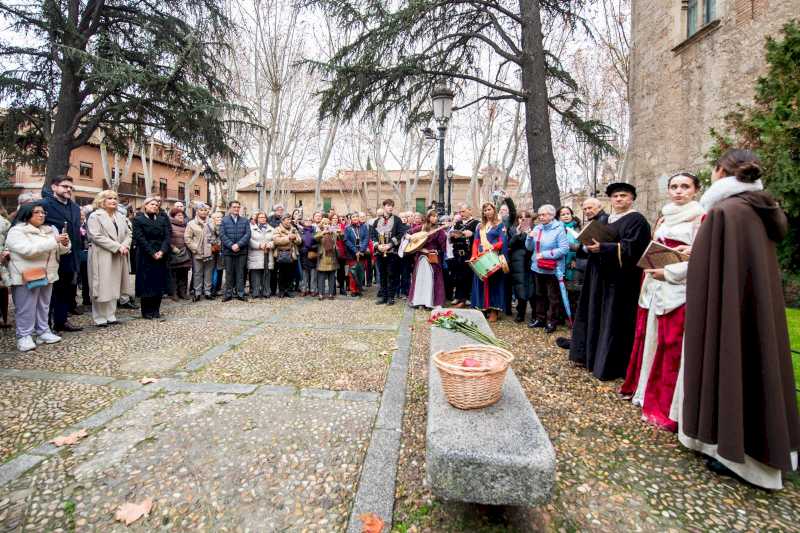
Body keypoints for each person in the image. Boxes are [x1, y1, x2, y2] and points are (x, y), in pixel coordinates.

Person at [678, 149, 799, 489]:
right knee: (758, 364)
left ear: (720, 172)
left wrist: (695, 253)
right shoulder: (759, 208)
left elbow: (710, 269)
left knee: (731, 361)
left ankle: (737, 456)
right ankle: (764, 454)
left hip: (727, 307)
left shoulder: (727, 212)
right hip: (755, 305)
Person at [619, 173, 704, 428]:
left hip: (677, 287)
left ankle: (665, 404)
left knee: (671, 345)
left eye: (685, 187)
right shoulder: (664, 217)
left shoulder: (701, 218)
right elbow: (654, 246)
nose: (679, 191)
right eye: (674, 187)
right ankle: (642, 389)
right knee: (648, 339)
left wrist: (669, 272)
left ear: (695, 190)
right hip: (653, 283)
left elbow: (700, 258)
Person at [572, 183, 651, 380]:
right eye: (615, 196)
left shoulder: (637, 220)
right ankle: (591, 356)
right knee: (597, 314)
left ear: (631, 198)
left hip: (622, 280)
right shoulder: (606, 220)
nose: (618, 199)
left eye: (623, 196)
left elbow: (633, 249)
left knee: (614, 320)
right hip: (601, 276)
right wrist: (590, 247)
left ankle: (611, 365)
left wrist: (604, 247)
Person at [6, 203, 70, 351]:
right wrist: (55, 241)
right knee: (25, 307)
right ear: (26, 214)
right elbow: (28, 250)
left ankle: (43, 331)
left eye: (43, 212)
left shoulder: (49, 230)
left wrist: (64, 244)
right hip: (26, 276)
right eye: (36, 212)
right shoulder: (17, 231)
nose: (41, 215)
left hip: (47, 274)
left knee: (44, 305)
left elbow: (58, 251)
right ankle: (24, 336)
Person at [563, 198, 608, 352]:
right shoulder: (595, 221)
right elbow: (585, 247)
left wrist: (571, 247)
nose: (588, 211)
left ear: (600, 207)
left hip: (596, 269)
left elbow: (593, 249)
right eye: (585, 208)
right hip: (591, 268)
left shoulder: (602, 221)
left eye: (591, 208)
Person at [42, 175, 83, 333]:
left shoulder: (74, 207)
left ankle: (61, 321)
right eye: (65, 186)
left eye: (71, 187)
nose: (68, 190)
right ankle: (44, 325)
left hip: (71, 256)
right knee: (49, 293)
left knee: (65, 290)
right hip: (51, 256)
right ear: (54, 187)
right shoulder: (44, 204)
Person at [86, 191, 132, 327]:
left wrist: (124, 245)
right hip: (102, 253)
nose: (113, 200)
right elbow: (96, 236)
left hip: (119, 254)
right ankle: (100, 317)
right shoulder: (95, 216)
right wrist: (117, 246)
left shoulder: (121, 216)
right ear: (102, 201)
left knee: (115, 283)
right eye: (109, 198)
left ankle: (111, 315)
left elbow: (129, 233)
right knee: (101, 284)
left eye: (115, 198)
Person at [525, 204, 569, 333]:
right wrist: (529, 236)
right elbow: (529, 248)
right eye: (539, 215)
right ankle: (540, 319)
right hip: (537, 268)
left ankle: (551, 321)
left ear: (552, 215)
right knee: (539, 294)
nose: (541, 217)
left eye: (543, 215)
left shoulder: (559, 229)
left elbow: (564, 249)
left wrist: (544, 254)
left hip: (553, 269)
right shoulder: (538, 228)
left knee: (552, 297)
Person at [132, 197, 171, 319]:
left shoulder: (162, 219)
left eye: (156, 205)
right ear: (145, 206)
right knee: (146, 282)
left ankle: (156, 310)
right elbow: (140, 238)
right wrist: (152, 252)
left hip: (161, 255)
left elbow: (167, 236)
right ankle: (146, 311)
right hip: (145, 255)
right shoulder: (138, 219)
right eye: (152, 204)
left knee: (158, 282)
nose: (155, 206)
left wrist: (162, 251)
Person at [470, 202, 509, 322]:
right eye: (485, 210)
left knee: (494, 284)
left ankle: (494, 310)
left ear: (494, 210)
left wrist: (492, 247)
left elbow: (502, 241)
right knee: (481, 282)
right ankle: (482, 308)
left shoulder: (500, 225)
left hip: (493, 257)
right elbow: (476, 242)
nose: (487, 212)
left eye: (489, 209)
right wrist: (474, 255)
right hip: (481, 258)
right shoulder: (480, 226)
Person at [408, 209, 447, 309]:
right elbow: (407, 234)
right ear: (428, 217)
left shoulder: (439, 230)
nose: (435, 218)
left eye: (436, 216)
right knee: (421, 279)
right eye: (433, 216)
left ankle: (430, 302)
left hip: (432, 257)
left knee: (432, 278)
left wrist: (438, 249)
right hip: (421, 257)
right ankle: (419, 301)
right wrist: (416, 243)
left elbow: (443, 246)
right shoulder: (421, 228)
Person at [372, 199, 405, 305]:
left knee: (391, 274)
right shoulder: (377, 221)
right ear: (384, 207)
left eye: (392, 206)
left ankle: (391, 297)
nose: (390, 207)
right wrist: (378, 245)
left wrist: (390, 244)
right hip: (380, 252)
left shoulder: (397, 220)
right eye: (388, 205)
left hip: (392, 253)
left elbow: (400, 235)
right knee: (382, 275)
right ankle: (384, 297)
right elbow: (372, 235)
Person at [449, 204, 479, 308]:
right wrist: (453, 236)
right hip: (457, 253)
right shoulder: (457, 223)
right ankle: (458, 296)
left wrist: (472, 234)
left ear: (470, 210)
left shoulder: (476, 223)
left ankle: (466, 298)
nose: (461, 214)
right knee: (457, 276)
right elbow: (451, 240)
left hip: (468, 253)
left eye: (463, 211)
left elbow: (479, 238)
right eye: (460, 212)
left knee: (467, 276)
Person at [220, 201, 251, 302]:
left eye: (238, 207)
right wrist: (231, 245)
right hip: (228, 251)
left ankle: (240, 293)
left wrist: (238, 244)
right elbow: (222, 235)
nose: (236, 209)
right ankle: (228, 294)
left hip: (241, 251)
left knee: (240, 273)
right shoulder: (224, 220)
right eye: (234, 207)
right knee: (229, 273)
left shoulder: (245, 221)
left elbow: (247, 234)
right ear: (230, 208)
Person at [509, 210, 535, 323]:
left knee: (532, 287)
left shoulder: (534, 229)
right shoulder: (513, 229)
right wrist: (517, 234)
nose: (523, 220)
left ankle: (535, 313)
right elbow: (510, 245)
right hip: (517, 262)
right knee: (519, 287)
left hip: (530, 261)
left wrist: (529, 234)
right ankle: (521, 312)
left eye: (526, 218)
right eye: (520, 218)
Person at [184, 203, 215, 301]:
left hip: (210, 251)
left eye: (205, 210)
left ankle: (207, 292)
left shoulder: (211, 222)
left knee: (208, 272)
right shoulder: (191, 223)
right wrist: (195, 248)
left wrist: (214, 244)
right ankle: (197, 292)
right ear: (197, 211)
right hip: (197, 252)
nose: (203, 212)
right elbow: (187, 238)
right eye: (201, 210)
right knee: (197, 272)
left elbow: (216, 234)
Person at [272, 214, 301, 297]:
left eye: (290, 219)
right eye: (287, 219)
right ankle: (281, 290)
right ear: (283, 220)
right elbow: (276, 240)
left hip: (292, 254)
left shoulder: (294, 229)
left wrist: (295, 238)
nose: (289, 221)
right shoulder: (277, 229)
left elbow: (300, 241)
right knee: (281, 273)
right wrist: (288, 238)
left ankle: (289, 290)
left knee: (291, 273)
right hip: (281, 254)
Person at [248, 211, 274, 298]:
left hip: (267, 253)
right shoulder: (251, 229)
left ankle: (266, 292)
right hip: (256, 254)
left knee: (267, 274)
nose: (262, 219)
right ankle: (255, 292)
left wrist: (270, 244)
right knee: (256, 274)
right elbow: (249, 240)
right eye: (260, 217)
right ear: (257, 219)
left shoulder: (271, 229)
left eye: (264, 217)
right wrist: (259, 245)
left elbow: (275, 240)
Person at [167, 208, 191, 301]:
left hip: (185, 252)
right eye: (178, 215)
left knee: (184, 273)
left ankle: (183, 292)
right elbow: (167, 238)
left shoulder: (186, 225)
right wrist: (172, 247)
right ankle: (174, 293)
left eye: (182, 215)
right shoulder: (169, 225)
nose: (181, 217)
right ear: (173, 216)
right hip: (174, 252)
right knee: (174, 274)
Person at [344, 212, 370, 297]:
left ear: (359, 218)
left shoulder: (364, 227)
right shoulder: (348, 228)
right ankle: (353, 290)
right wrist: (355, 250)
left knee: (360, 272)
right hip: (352, 253)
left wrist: (361, 250)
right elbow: (346, 241)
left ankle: (359, 288)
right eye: (353, 217)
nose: (355, 218)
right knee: (353, 272)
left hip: (362, 253)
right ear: (351, 219)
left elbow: (366, 238)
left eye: (356, 216)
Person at [315, 218, 338, 300]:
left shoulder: (333, 233)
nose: (326, 225)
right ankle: (321, 294)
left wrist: (336, 232)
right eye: (325, 223)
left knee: (332, 276)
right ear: (322, 225)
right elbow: (315, 238)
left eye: (328, 223)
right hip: (323, 257)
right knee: (321, 276)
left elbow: (340, 237)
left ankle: (331, 294)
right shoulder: (319, 233)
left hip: (332, 257)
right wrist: (323, 233)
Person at [299, 217, 318, 296]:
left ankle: (313, 290)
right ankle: (304, 289)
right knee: (304, 274)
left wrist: (311, 247)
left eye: (309, 220)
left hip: (312, 254)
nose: (308, 221)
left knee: (313, 274)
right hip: (303, 255)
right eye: (306, 220)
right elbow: (298, 242)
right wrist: (303, 249)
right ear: (303, 222)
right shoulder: (301, 231)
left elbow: (318, 242)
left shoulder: (315, 231)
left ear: (312, 222)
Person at [0, 205, 12, 328]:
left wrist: (5, 252)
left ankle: (3, 318)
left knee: (3, 289)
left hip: (2, 259)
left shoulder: (4, 223)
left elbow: (9, 240)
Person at [209, 211, 225, 297]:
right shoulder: (210, 227)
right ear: (213, 219)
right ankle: (212, 289)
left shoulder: (223, 227)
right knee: (213, 270)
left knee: (219, 270)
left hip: (221, 252)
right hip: (213, 251)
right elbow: (209, 238)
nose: (220, 219)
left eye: (221, 217)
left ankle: (217, 288)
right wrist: (216, 244)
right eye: (217, 217)